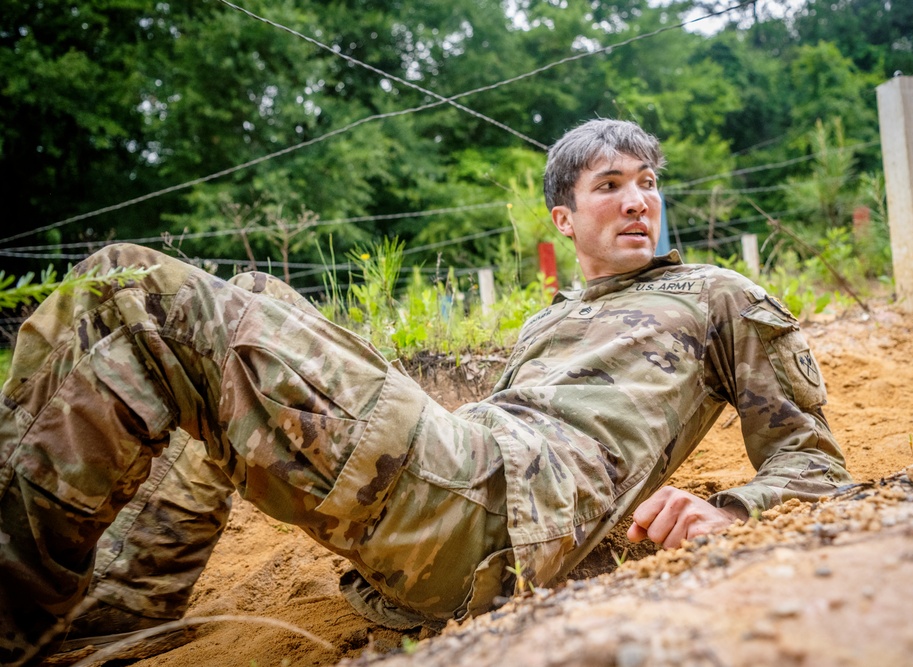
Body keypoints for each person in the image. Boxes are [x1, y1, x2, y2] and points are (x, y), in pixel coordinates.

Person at [0, 119, 850, 666]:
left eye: (648, 181)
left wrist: (733, 511)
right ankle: (115, 613)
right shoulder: (546, 323)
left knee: (130, 289)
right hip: (465, 476)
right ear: (563, 218)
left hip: (495, 503)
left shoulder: (718, 294)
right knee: (255, 295)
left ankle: (11, 624)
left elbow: (814, 463)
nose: (639, 201)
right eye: (611, 185)